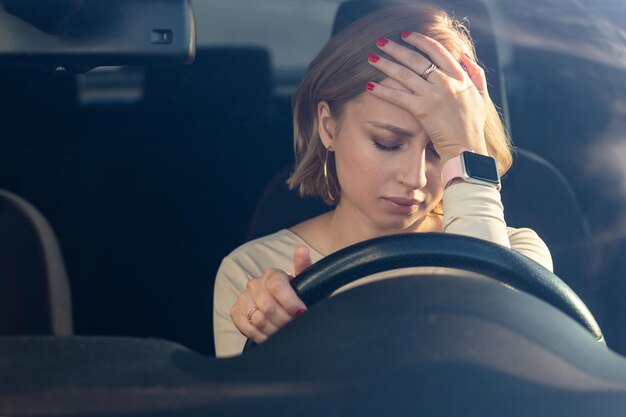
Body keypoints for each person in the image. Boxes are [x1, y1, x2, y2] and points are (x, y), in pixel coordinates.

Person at [213, 3, 553, 358]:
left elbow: (494, 359)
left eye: (441, 152)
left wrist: (467, 151)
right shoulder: (253, 275)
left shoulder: (518, 256)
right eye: (387, 143)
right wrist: (291, 347)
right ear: (329, 127)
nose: (415, 177)